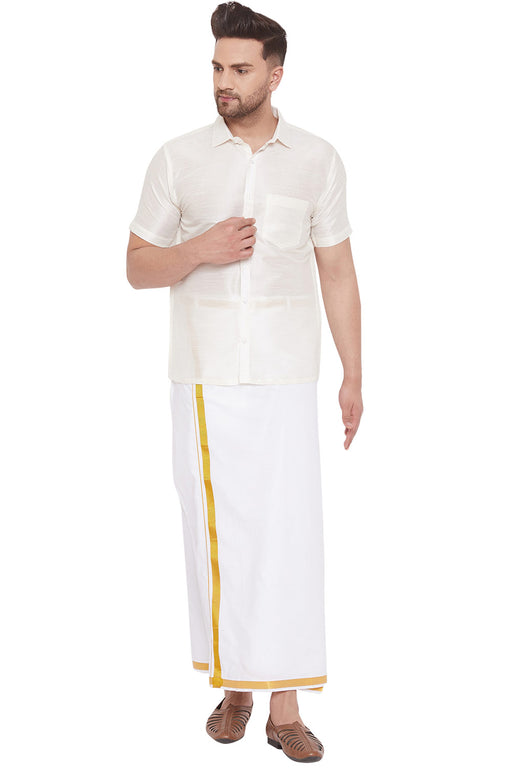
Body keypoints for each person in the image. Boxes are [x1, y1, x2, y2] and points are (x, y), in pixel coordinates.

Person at [126, 1, 362, 761]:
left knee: (290, 539)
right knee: (219, 540)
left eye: (239, 69)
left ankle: (284, 710)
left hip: (288, 376)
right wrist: (199, 248)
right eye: (216, 68)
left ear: (275, 74)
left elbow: (337, 270)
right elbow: (137, 266)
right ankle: (235, 686)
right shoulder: (178, 158)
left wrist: (354, 372)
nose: (223, 82)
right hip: (205, 378)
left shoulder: (318, 159)